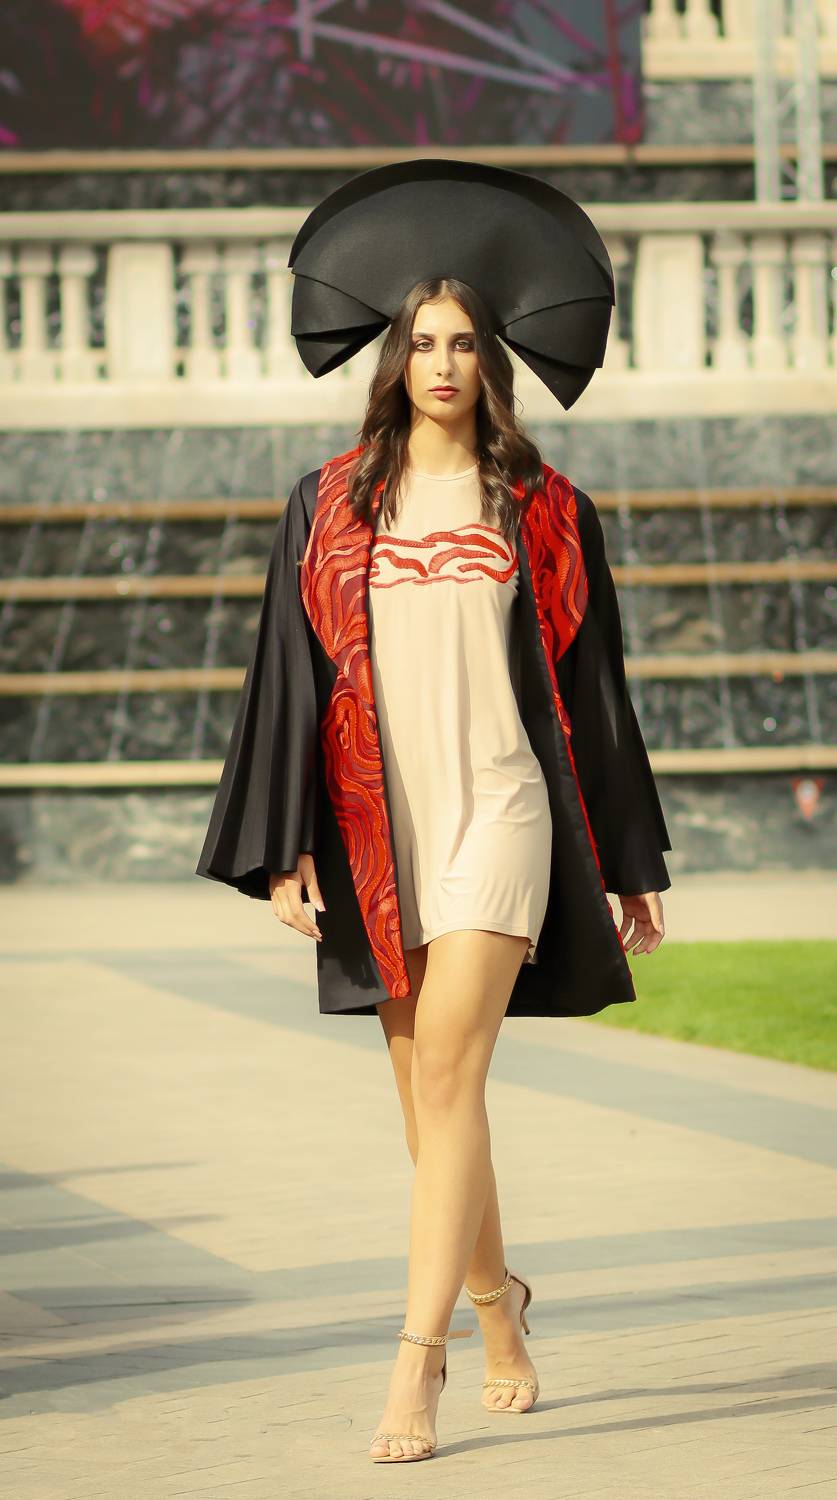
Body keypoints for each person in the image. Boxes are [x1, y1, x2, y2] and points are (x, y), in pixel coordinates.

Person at [196, 161, 671, 1466]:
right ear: (394, 359)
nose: (445, 364)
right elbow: (287, 679)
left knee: (453, 1077)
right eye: (423, 343)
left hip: (503, 814)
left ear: (491, 360)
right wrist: (283, 845)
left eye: (464, 344)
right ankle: (499, 1303)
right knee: (430, 1105)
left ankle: (418, 1365)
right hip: (379, 824)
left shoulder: (546, 508)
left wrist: (629, 856)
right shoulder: (330, 502)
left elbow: (596, 690)